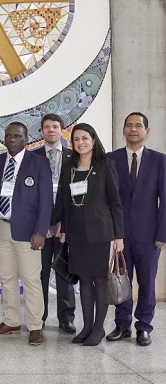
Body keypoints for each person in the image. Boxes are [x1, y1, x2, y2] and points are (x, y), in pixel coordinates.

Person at [0, 122, 53, 346]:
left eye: (17, 136)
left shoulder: (39, 163)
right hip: (1, 227)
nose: (12, 139)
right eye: (8, 136)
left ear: (26, 139)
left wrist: (40, 231)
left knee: (31, 280)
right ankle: (11, 322)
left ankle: (35, 326)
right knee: (6, 278)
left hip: (28, 231)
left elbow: (46, 201)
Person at [57, 123, 124, 346]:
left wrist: (119, 236)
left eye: (85, 138)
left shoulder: (106, 165)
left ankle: (98, 328)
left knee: (99, 280)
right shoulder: (69, 165)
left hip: (100, 233)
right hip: (76, 233)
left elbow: (115, 203)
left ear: (93, 140)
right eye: (76, 139)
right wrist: (64, 228)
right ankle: (86, 326)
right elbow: (64, 200)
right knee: (84, 280)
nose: (80, 143)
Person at [106, 112, 166, 346]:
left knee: (147, 282)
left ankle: (144, 327)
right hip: (119, 235)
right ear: (123, 130)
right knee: (121, 280)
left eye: (138, 125)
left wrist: (162, 233)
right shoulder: (110, 159)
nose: (133, 129)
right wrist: (112, 233)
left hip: (149, 237)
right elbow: (105, 199)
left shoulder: (160, 160)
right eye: (129, 125)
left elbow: (165, 199)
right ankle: (122, 325)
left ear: (146, 131)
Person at [32, 113, 76, 334]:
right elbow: (28, 195)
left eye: (55, 126)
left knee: (64, 271)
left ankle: (66, 318)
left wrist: (64, 224)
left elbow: (76, 195)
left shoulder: (73, 157)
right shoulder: (32, 157)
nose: (51, 130)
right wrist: (40, 225)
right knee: (38, 274)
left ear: (62, 130)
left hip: (63, 227)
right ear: (41, 131)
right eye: (47, 127)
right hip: (39, 228)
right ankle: (38, 317)